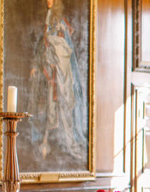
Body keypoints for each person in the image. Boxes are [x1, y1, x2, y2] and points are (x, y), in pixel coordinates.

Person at [30, 0, 88, 161]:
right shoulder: (47, 21)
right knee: (48, 105)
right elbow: (43, 46)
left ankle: (68, 143)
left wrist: (54, 53)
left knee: (61, 104)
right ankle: (45, 141)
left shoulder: (59, 22)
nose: (48, 0)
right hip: (48, 71)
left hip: (60, 72)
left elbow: (63, 46)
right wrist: (36, 65)